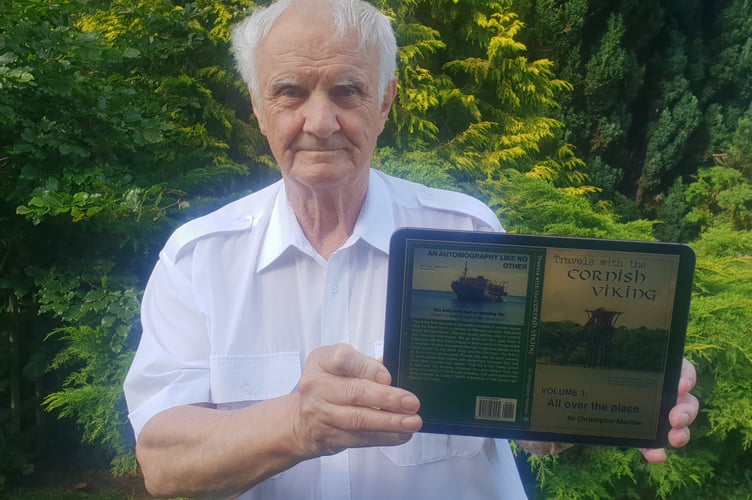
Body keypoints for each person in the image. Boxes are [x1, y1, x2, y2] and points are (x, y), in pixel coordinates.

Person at [123, 0, 699, 498]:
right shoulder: (199, 258)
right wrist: (298, 423)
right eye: (290, 92)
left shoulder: (467, 234)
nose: (320, 122)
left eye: (347, 91)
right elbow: (162, 460)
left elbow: (533, 429)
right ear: (257, 106)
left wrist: (614, 392)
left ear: (385, 102)